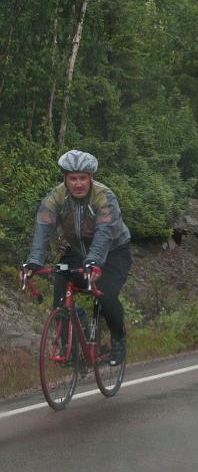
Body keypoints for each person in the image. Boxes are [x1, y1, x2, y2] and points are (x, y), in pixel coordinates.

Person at [20, 150, 132, 366]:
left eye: (83, 178)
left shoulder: (105, 197)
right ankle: (68, 344)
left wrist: (94, 261)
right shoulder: (54, 199)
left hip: (114, 252)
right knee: (60, 284)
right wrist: (34, 261)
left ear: (91, 178)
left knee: (106, 296)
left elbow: (105, 233)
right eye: (73, 178)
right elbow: (43, 230)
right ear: (65, 179)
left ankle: (119, 341)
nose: (78, 184)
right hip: (78, 252)